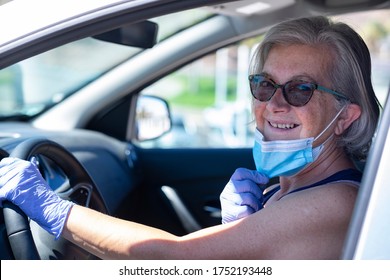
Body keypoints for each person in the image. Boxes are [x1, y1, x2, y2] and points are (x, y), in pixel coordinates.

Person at [0, 15, 381, 260]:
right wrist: (243, 228)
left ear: (345, 116)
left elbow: (177, 262)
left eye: (301, 89)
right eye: (264, 85)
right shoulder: (293, 191)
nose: (275, 103)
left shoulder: (335, 202)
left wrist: (51, 208)